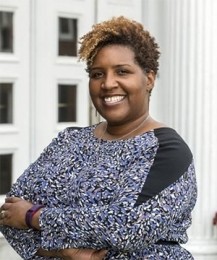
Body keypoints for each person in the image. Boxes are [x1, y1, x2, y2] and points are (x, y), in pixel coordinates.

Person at [0, 16, 197, 259]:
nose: (108, 83)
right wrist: (66, 253)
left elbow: (127, 228)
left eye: (122, 71)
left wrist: (34, 216)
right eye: (97, 74)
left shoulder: (167, 151)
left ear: (149, 79)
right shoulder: (69, 141)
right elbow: (10, 213)